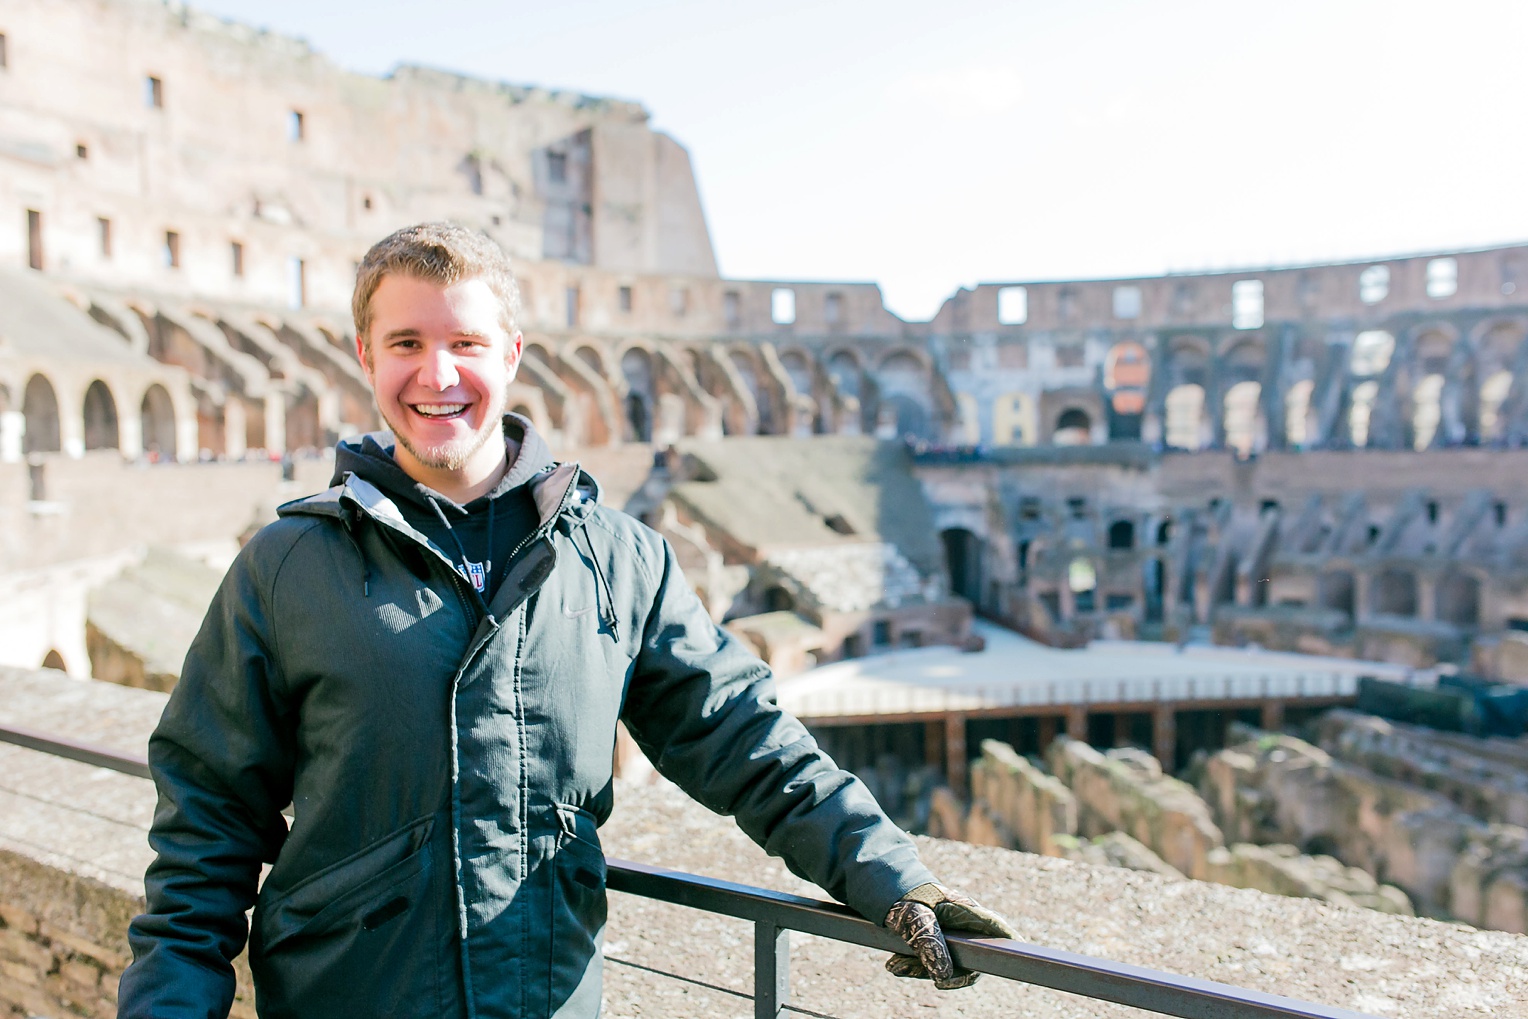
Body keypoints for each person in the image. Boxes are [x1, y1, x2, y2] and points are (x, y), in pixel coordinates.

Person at [118, 222, 1015, 1019]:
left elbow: (740, 736)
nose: (437, 374)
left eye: (465, 341)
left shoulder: (621, 559)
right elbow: (207, 822)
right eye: (406, 342)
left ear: (512, 352)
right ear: (366, 355)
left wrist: (892, 879)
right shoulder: (284, 568)